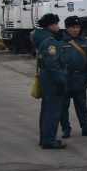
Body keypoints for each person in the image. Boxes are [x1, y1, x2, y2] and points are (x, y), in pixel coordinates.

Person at [59, 16, 87, 138]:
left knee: (82, 105)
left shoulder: (86, 41)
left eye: (77, 27)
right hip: (66, 78)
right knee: (63, 106)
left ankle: (86, 128)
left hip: (81, 78)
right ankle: (66, 129)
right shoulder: (60, 42)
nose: (76, 30)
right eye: (72, 27)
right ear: (66, 28)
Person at [31, 13, 68, 149]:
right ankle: (48, 139)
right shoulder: (50, 42)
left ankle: (45, 137)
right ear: (50, 26)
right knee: (52, 111)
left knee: (46, 109)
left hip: (46, 76)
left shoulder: (43, 39)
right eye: (56, 24)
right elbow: (53, 64)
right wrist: (60, 81)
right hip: (52, 78)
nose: (58, 27)